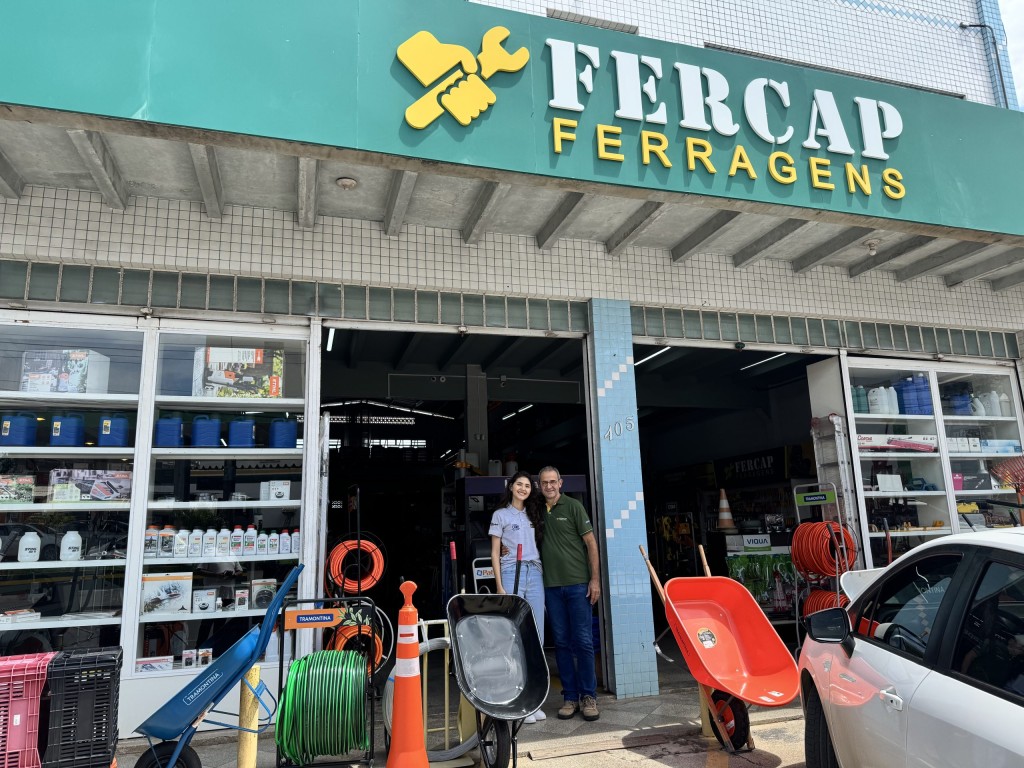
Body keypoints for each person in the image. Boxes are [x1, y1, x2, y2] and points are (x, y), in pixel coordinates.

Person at [538, 466, 601, 721]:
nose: (549, 486)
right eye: (545, 482)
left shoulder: (574, 507)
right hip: (551, 587)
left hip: (578, 585)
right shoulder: (536, 511)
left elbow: (591, 543)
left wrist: (594, 580)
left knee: (583, 642)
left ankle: (589, 697)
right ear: (539, 485)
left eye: (553, 481)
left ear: (560, 483)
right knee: (562, 643)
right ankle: (570, 697)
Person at [489, 470, 547, 723]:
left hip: (534, 572)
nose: (523, 488)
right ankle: (517, 700)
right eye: (519, 484)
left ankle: (534, 701)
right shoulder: (500, 515)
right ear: (511, 486)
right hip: (512, 571)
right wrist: (499, 585)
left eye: (527, 486)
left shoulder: (534, 513)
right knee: (514, 635)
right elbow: (495, 553)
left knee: (537, 633)